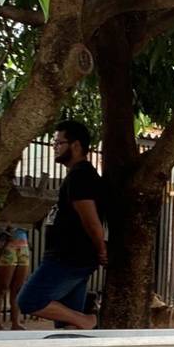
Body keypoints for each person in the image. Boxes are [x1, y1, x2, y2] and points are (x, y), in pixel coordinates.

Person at [17, 120, 106, 329]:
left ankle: (88, 320)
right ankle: (78, 338)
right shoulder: (77, 176)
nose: (54, 148)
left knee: (29, 300)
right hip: (71, 257)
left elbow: (91, 220)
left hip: (69, 258)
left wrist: (101, 249)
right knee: (67, 326)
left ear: (75, 145)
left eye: (58, 143)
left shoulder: (80, 176)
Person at [0, 226, 31, 330]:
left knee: (18, 288)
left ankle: (15, 322)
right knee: (2, 287)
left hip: (23, 244)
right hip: (6, 243)